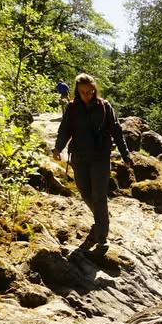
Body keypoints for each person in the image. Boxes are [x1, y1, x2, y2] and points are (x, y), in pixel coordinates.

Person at [52, 73, 133, 248]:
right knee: (85, 193)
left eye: (90, 91)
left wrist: (126, 154)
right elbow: (65, 130)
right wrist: (58, 148)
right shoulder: (72, 108)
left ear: (95, 89)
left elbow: (117, 131)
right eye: (83, 92)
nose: (87, 95)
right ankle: (101, 218)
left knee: (98, 195)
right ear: (77, 91)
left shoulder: (104, 106)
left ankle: (102, 235)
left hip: (100, 157)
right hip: (79, 158)